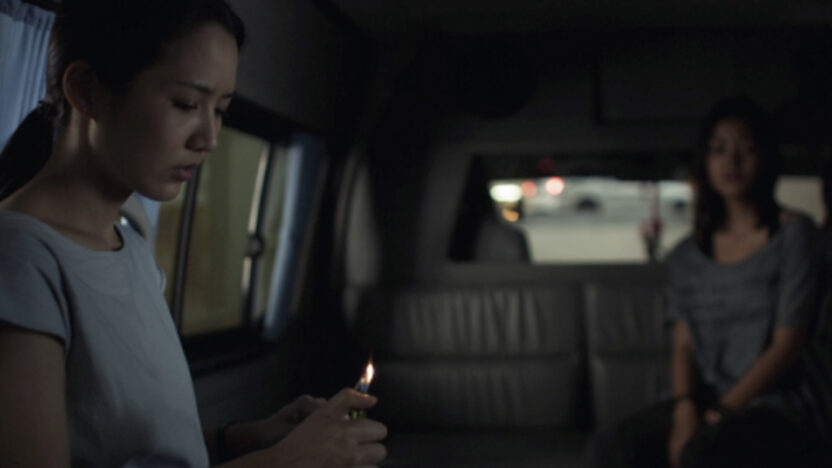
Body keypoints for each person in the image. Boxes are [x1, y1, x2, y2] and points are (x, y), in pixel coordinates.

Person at [0, 0, 387, 466]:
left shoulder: (130, 246)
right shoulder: (20, 262)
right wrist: (287, 461)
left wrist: (243, 439)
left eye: (220, 110)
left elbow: (139, 450)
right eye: (186, 104)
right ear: (86, 90)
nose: (210, 138)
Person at [585, 96, 826, 468]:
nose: (732, 161)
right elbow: (683, 343)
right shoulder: (686, 255)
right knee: (612, 449)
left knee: (705, 453)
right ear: (705, 161)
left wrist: (721, 413)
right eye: (719, 150)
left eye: (746, 149)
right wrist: (686, 410)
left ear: (765, 157)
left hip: (772, 403)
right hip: (703, 396)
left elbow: (788, 343)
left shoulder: (793, 235)